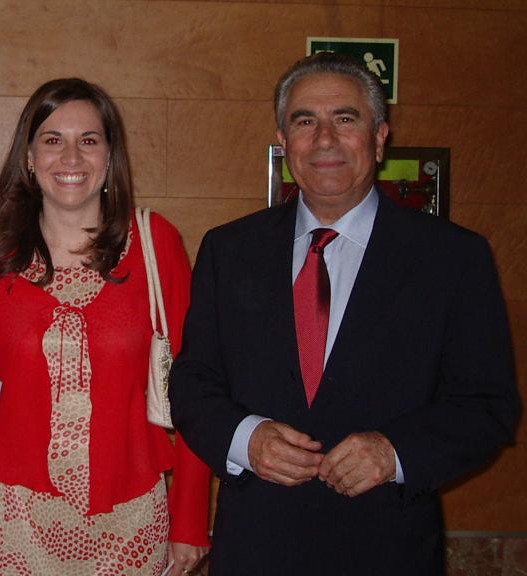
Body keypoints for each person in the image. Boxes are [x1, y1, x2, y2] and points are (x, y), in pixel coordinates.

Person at [169, 52, 521, 575]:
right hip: (257, 550)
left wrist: (394, 452)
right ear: (284, 143)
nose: (325, 139)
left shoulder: (452, 258)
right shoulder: (229, 249)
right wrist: (248, 438)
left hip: (387, 550)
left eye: (345, 118)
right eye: (305, 121)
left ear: (380, 138)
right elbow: (193, 382)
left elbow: (488, 406)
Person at [0, 78, 211, 576]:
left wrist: (189, 520)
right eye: (52, 140)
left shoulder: (155, 243)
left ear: (110, 157)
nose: (70, 157)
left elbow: (197, 387)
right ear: (28, 157)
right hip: (17, 518)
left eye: (88, 140)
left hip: (132, 516)